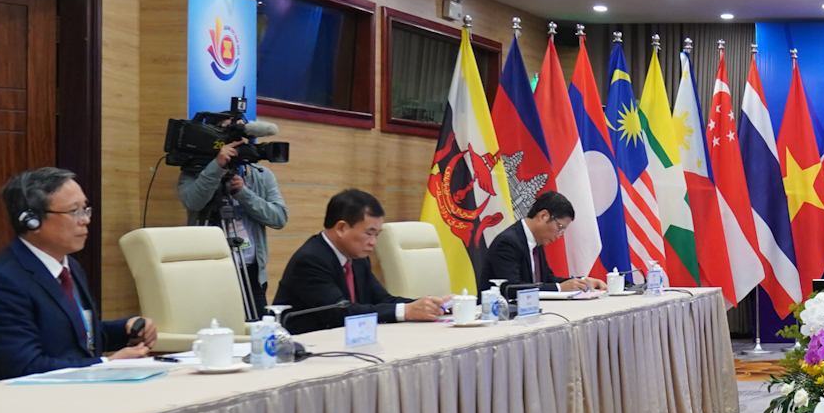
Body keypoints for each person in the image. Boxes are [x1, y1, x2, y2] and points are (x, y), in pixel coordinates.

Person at [0, 167, 156, 381]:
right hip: (22, 398)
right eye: (74, 211)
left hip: (76, 392)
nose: (85, 220)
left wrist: (125, 331)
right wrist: (107, 365)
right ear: (32, 220)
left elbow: (74, 335)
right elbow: (25, 366)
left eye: (85, 209)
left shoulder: (70, 266)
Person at [273, 188, 450, 324]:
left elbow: (382, 300)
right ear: (341, 228)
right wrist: (406, 311)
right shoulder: (311, 260)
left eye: (377, 235)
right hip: (301, 349)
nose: (373, 242)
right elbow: (339, 313)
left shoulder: (357, 258)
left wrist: (432, 305)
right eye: (369, 234)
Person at [178, 134, 288, 316]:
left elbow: (279, 218)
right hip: (209, 273)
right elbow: (193, 202)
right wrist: (216, 168)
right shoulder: (193, 171)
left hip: (251, 273)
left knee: (256, 328)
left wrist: (243, 193)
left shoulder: (261, 175)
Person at [481, 192, 599, 292]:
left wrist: (582, 281)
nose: (559, 236)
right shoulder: (508, 242)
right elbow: (511, 288)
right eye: (560, 227)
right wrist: (559, 288)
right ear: (543, 216)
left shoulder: (537, 241)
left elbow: (548, 280)